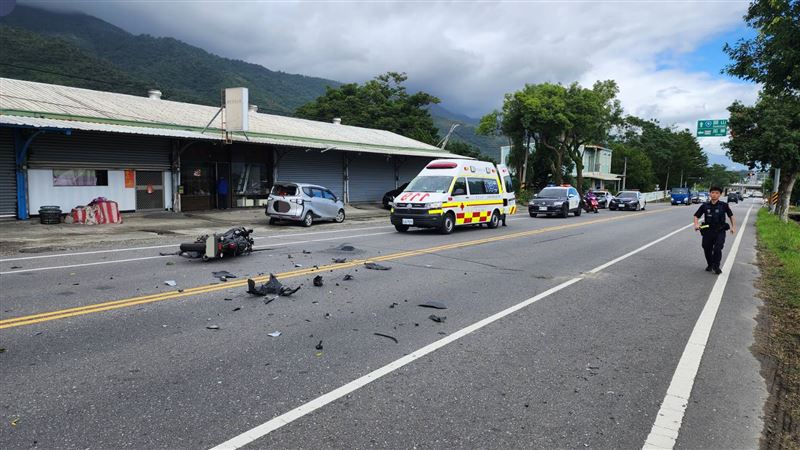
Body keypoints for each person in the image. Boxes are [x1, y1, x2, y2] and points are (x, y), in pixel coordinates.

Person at [693, 186, 736, 274]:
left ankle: (716, 267)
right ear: (710, 194)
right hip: (707, 231)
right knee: (706, 247)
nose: (714, 195)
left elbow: (731, 216)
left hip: (720, 231)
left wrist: (733, 227)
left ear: (720, 194)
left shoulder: (724, 205)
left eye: (717, 193)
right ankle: (710, 264)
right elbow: (696, 216)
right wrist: (696, 224)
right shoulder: (705, 206)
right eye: (712, 192)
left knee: (717, 249)